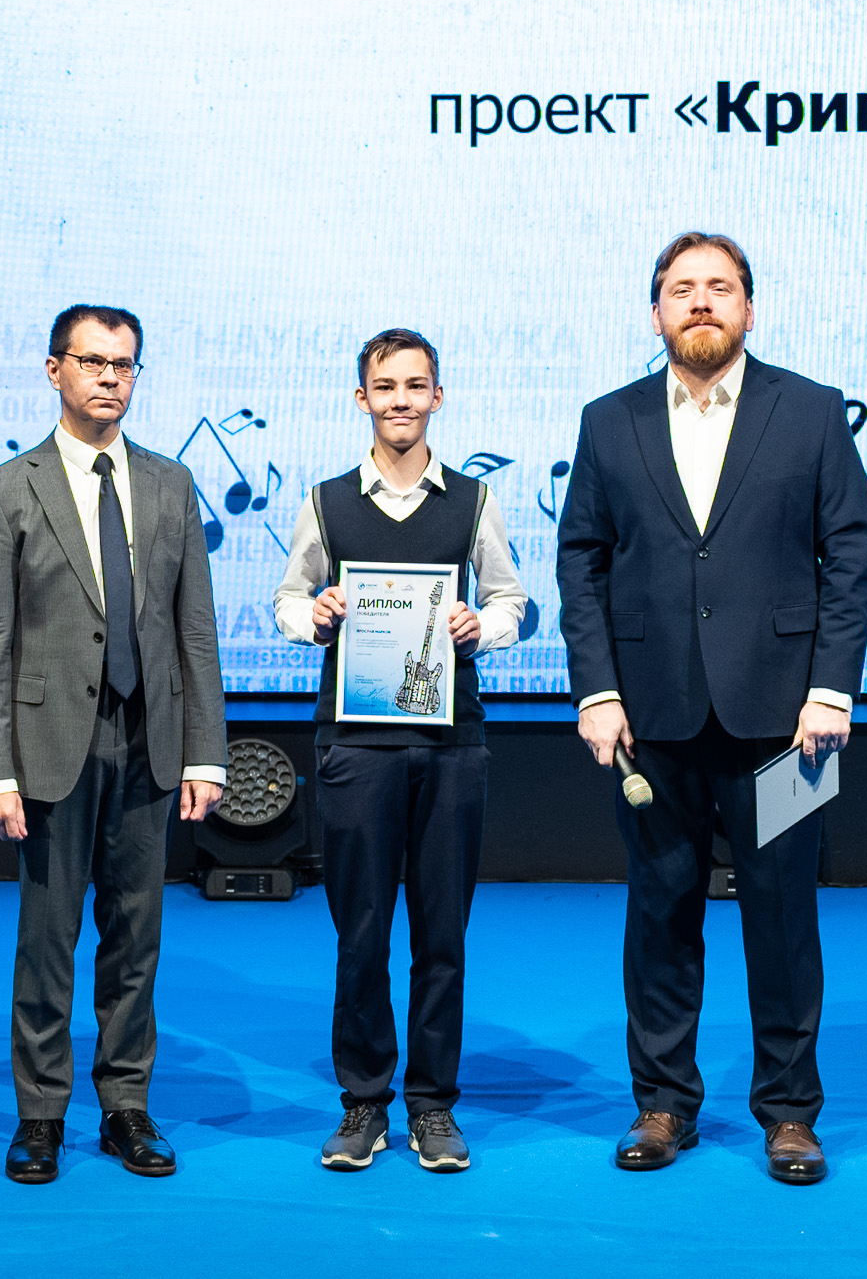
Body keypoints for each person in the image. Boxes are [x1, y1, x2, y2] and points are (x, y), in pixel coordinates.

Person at [555, 232, 867, 1185]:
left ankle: (790, 1113)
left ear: (749, 308)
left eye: (720, 287)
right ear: (656, 311)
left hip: (788, 725)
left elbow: (850, 557)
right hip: (649, 719)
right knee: (659, 913)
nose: (702, 302)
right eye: (683, 288)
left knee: (784, 918)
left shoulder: (811, 410)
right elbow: (582, 563)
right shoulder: (608, 420)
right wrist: (597, 689)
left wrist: (830, 689)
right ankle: (662, 1104)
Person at [0, 306, 228, 1184]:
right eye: (93, 362)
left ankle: (126, 1106)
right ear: (55, 370)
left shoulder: (171, 483)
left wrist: (206, 751)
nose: (110, 378)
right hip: (48, 745)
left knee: (136, 935)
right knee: (48, 938)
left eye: (124, 365)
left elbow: (195, 632)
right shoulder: (7, 489)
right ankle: (40, 1114)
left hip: (150, 740)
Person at [271, 329, 529, 1174]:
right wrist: (313, 616)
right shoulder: (326, 501)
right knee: (361, 935)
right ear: (362, 399)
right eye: (385, 387)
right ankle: (363, 1102)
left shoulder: (475, 503)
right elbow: (288, 597)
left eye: (416, 386)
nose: (401, 400)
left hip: (453, 745)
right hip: (355, 747)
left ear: (437, 397)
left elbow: (513, 600)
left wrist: (482, 626)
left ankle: (433, 1105)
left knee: (442, 935)